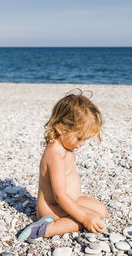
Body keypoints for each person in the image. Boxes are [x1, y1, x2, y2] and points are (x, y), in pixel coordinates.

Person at [18, 89, 107, 242]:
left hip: (69, 200)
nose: (82, 144)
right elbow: (59, 195)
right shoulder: (55, 155)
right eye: (79, 138)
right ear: (61, 128)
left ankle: (68, 218)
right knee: (87, 219)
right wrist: (84, 217)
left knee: (101, 211)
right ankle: (42, 230)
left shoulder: (66, 147)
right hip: (51, 207)